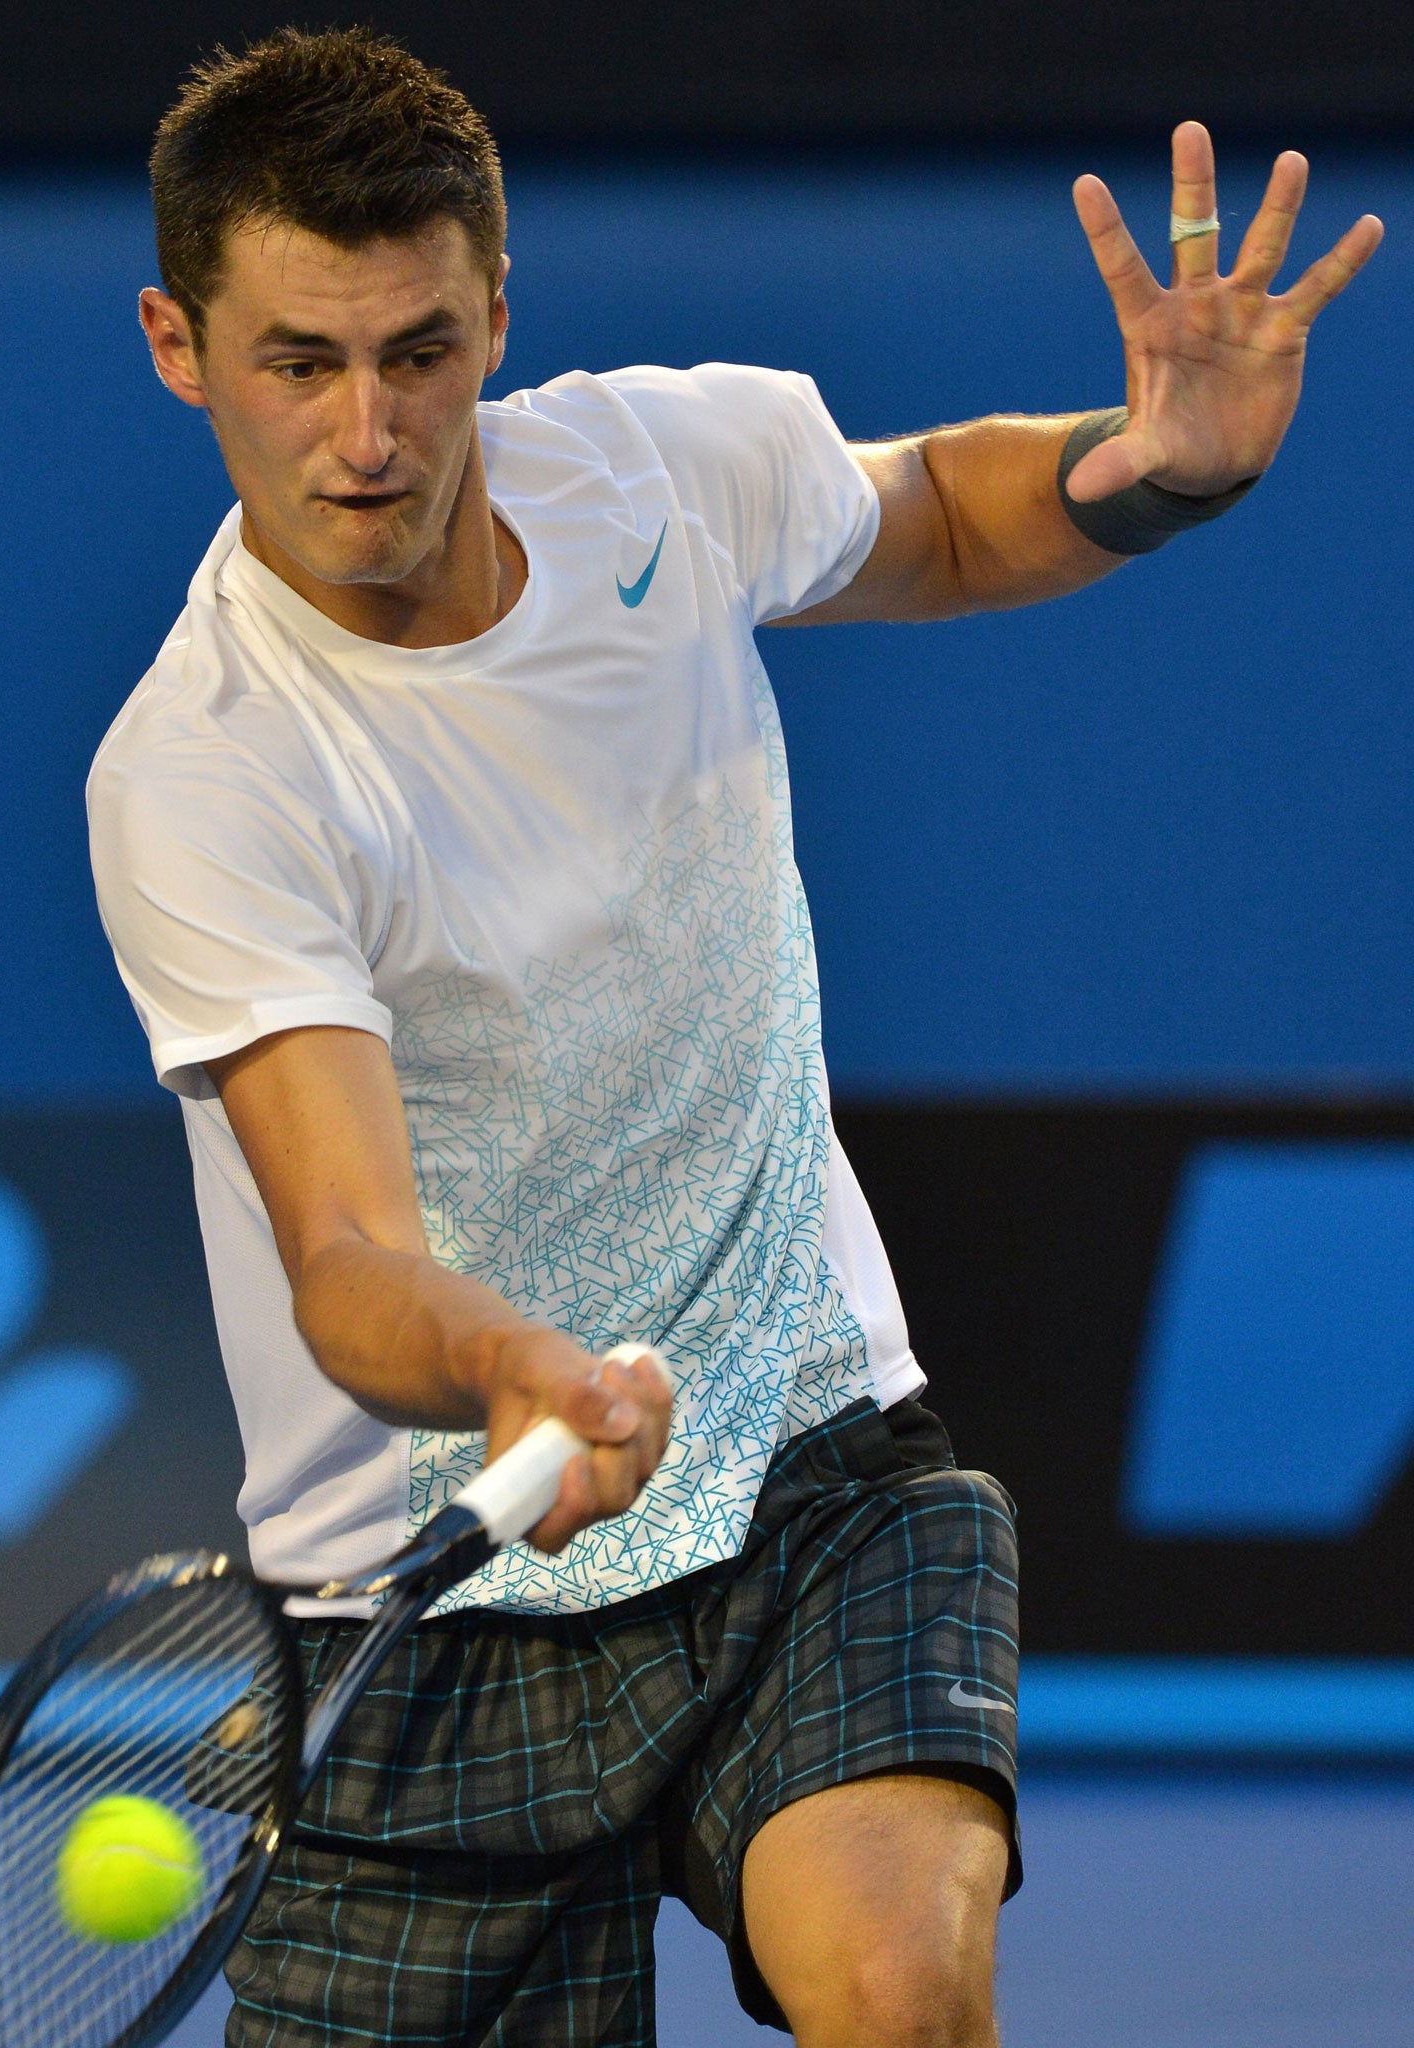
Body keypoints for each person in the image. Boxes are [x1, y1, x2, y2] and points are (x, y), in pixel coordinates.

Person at [87, 28, 1380, 2047]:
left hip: (802, 1453)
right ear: (180, 342)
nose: (368, 430)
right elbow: (342, 1255)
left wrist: (1153, 477)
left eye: (421, 352)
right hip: (434, 1578)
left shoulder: (657, 471)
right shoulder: (210, 775)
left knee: (900, 1984)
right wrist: (514, 1366)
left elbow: (938, 517)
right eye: (298, 362)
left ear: (499, 317)